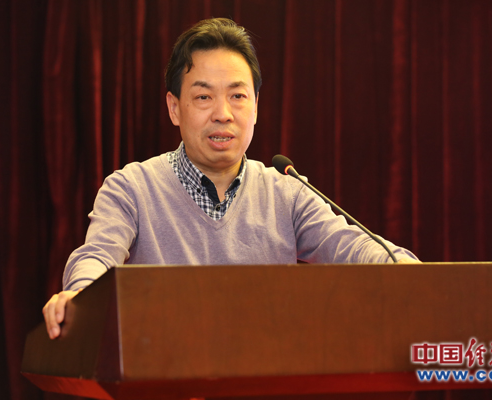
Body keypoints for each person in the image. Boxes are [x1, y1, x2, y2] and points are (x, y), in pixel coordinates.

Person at [43, 18, 419, 339]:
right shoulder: (132, 188)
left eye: (237, 96)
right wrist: (79, 295)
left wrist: (404, 270)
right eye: (204, 97)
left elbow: (350, 247)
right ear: (174, 108)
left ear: (255, 106)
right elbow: (96, 257)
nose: (223, 113)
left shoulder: (288, 192)